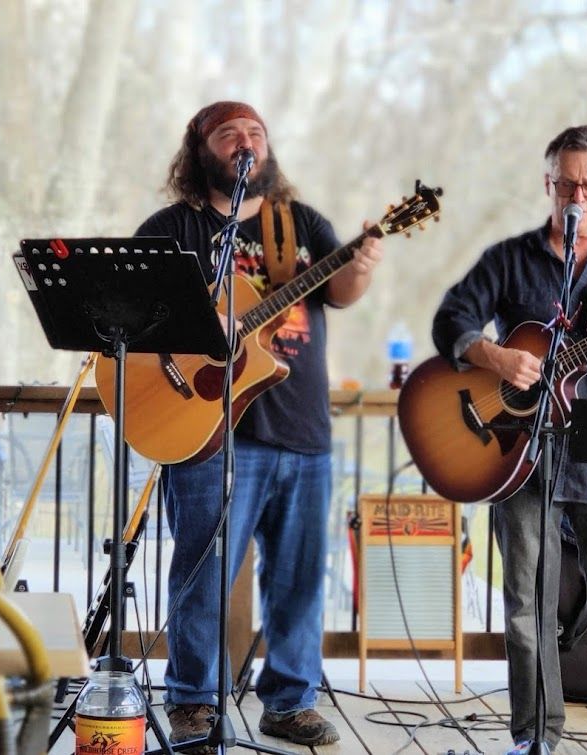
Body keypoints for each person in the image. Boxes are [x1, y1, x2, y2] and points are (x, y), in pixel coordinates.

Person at [138, 101, 383, 749]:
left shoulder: (300, 223)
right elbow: (132, 313)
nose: (245, 143)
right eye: (229, 135)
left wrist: (358, 268)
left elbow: (339, 293)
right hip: (207, 426)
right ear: (201, 150)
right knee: (203, 573)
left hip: (300, 425)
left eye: (255, 133)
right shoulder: (173, 227)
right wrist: (199, 325)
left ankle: (290, 702)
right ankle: (193, 700)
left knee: (298, 577)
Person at [431, 125, 587, 755]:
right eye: (567, 184)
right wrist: (495, 357)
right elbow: (451, 320)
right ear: (549, 184)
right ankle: (535, 737)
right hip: (520, 455)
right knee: (525, 611)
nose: (578, 196)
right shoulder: (508, 259)